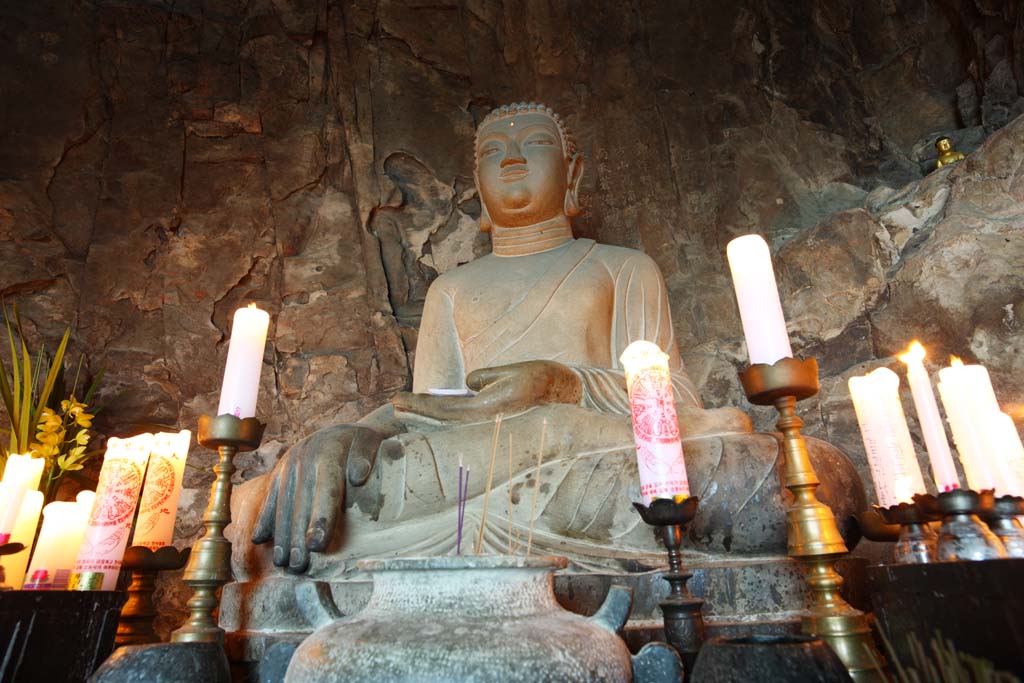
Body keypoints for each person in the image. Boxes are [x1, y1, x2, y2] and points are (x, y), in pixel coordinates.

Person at [229, 103, 861, 583]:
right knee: (261, 505)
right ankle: (497, 521)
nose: (510, 160)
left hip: (590, 450)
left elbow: (673, 403)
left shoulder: (621, 267)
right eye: (492, 152)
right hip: (474, 462)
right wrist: (347, 437)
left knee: (771, 468)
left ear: (573, 173)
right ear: (476, 183)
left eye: (533, 146)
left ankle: (440, 535)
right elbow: (431, 412)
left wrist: (561, 386)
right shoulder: (452, 289)